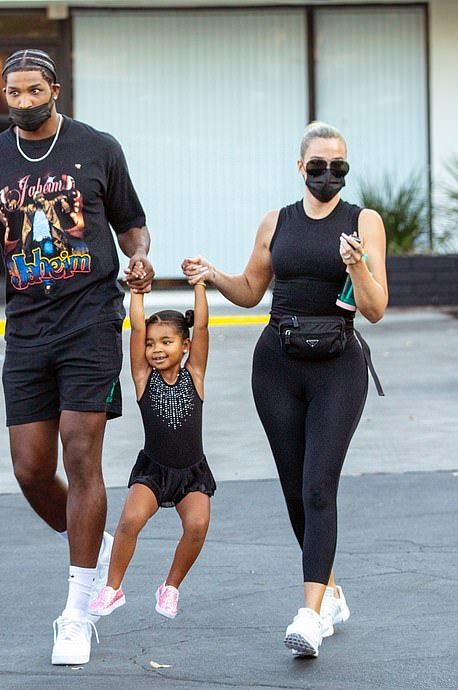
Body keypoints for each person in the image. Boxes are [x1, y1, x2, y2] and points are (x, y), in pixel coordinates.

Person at [0, 48, 154, 666]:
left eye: (32, 91)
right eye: (12, 93)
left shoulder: (98, 147)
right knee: (31, 468)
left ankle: (77, 609)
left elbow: (131, 224)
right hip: (28, 330)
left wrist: (141, 255)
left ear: (55, 90)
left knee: (80, 443)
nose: (21, 101)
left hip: (92, 318)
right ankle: (86, 541)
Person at [182, 121, 387, 657]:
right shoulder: (277, 222)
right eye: (317, 166)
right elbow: (251, 291)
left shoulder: (363, 222)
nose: (327, 175)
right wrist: (212, 274)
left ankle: (309, 615)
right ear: (300, 168)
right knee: (296, 488)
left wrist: (358, 264)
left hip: (338, 365)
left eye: (338, 167)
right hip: (276, 366)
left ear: (346, 169)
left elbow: (375, 308)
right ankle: (331, 592)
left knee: (320, 485)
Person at [89, 266, 216, 620]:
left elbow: (202, 326)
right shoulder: (143, 377)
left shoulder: (196, 375)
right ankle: (112, 588)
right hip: (154, 469)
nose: (156, 349)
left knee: (197, 527)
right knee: (129, 520)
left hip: (192, 471)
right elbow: (137, 327)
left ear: (185, 345)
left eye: (166, 342)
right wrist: (139, 292)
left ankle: (171, 587)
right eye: (151, 343)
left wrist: (200, 285)